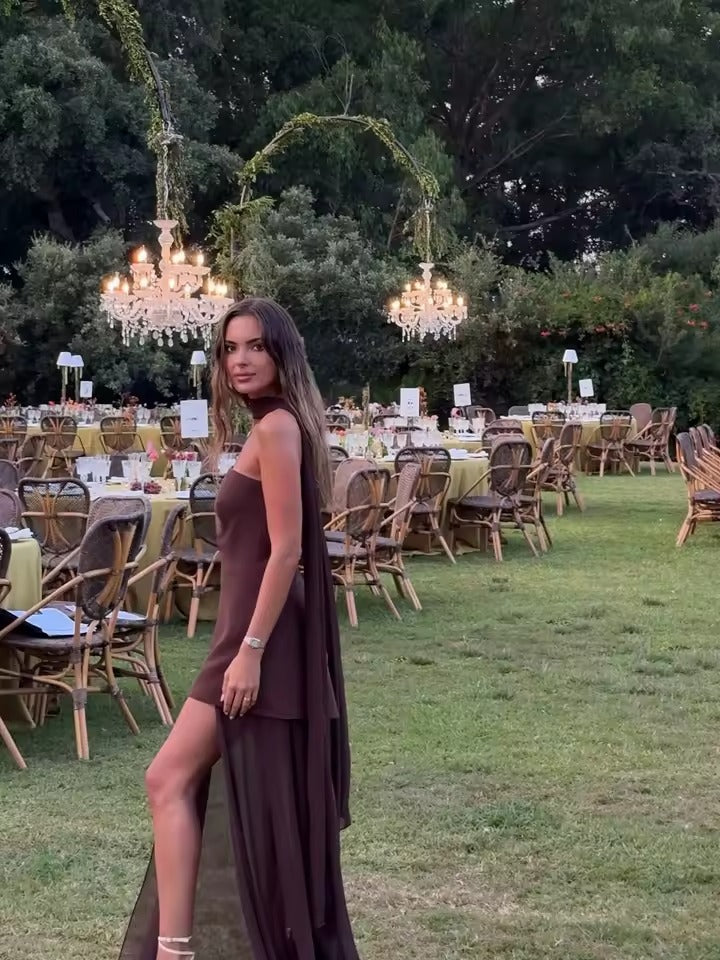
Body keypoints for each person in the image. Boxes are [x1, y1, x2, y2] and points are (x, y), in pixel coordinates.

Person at [119, 297, 359, 960]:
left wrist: (250, 652)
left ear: (282, 353)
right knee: (235, 796)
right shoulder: (271, 426)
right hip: (247, 631)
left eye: (255, 346)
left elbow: (287, 551)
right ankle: (183, 947)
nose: (241, 360)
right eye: (230, 348)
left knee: (172, 780)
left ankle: (175, 950)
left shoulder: (277, 428)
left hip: (259, 638)